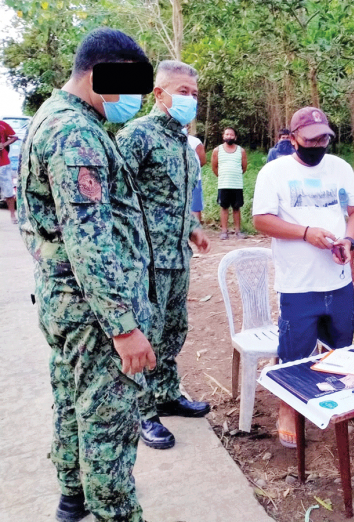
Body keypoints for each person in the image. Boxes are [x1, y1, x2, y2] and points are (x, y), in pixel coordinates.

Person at [17, 27, 156, 522]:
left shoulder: (49, 119)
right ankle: (115, 512)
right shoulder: (75, 133)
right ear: (101, 75)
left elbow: (33, 224)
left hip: (66, 304)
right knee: (108, 425)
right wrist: (124, 327)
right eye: (134, 86)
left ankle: (72, 499)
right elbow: (87, 238)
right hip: (94, 317)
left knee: (72, 402)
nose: (138, 99)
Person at [253, 106, 354, 448]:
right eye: (311, 139)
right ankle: (288, 408)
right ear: (293, 139)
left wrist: (348, 240)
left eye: (325, 138)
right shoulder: (275, 172)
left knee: (340, 348)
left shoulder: (341, 168)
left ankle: (333, 401)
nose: (319, 144)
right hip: (299, 284)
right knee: (295, 351)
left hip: (338, 279)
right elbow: (261, 220)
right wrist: (304, 233)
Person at [117, 60, 211, 451]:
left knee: (173, 331)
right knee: (147, 335)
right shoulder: (135, 136)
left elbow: (176, 198)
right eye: (181, 92)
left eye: (193, 93)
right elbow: (116, 200)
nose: (189, 99)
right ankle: (142, 410)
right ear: (159, 93)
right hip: (144, 262)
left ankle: (167, 395)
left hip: (176, 259)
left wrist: (193, 226)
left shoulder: (183, 143)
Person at [211, 127, 248, 239]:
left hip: (237, 184)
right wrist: (222, 175)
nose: (229, 136)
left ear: (235, 137)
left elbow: (244, 167)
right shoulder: (217, 150)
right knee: (224, 207)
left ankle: (238, 231)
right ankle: (224, 231)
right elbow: (214, 166)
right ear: (223, 136)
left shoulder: (241, 151)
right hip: (223, 184)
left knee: (237, 208)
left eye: (231, 134)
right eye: (227, 134)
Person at [186, 125, 206, 222]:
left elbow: (202, 160)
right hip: (177, 180)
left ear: (188, 127)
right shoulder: (170, 140)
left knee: (195, 206)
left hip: (194, 179)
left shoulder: (195, 142)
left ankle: (196, 231)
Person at [0, 119, 18, 223]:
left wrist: (4, 144)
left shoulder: (2, 125)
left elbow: (14, 137)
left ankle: (12, 215)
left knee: (8, 189)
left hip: (3, 163)